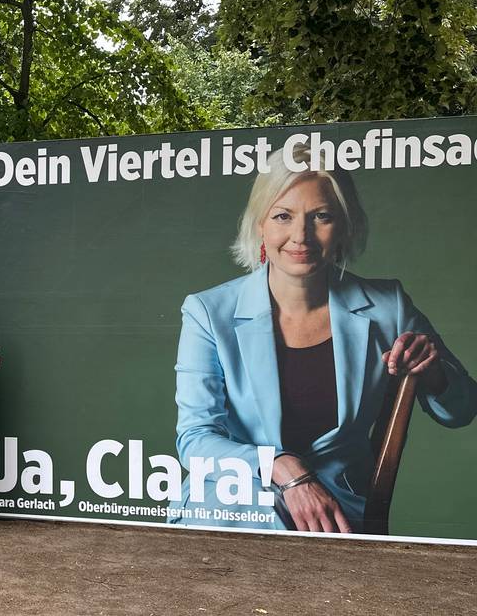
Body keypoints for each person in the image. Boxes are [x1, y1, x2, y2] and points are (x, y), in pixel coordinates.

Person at [171, 145, 477, 533]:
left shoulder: (388, 306)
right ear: (260, 224)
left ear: (345, 226)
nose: (301, 236)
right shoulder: (207, 312)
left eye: (322, 216)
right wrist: (284, 468)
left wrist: (433, 373)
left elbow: (464, 409)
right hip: (230, 497)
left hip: (335, 504)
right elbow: (195, 440)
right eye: (283, 216)